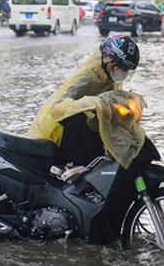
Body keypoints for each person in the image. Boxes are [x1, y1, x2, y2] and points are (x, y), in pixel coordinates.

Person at [28, 33, 143, 170]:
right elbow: (57, 108)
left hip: (88, 134)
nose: (124, 73)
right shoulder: (87, 79)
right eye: (122, 69)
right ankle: (76, 167)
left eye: (127, 70)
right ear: (110, 64)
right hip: (65, 133)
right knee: (81, 120)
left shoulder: (107, 79)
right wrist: (88, 104)